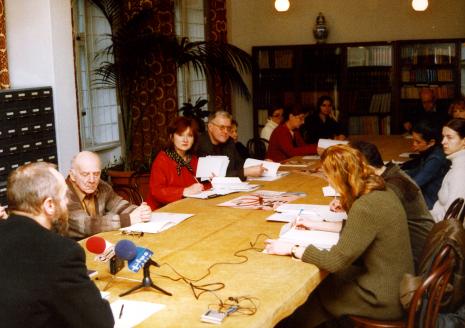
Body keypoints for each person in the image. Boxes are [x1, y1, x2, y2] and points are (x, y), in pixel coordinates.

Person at [265, 145, 413, 326]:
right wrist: (316, 224)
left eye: (328, 177)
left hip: (380, 298)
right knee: (321, 290)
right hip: (392, 285)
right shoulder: (380, 191)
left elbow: (336, 261)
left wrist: (292, 248)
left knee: (313, 294)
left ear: (339, 177)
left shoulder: (366, 205)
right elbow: (361, 229)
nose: (327, 182)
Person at [0, 162, 114, 327]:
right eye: (64, 196)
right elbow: (100, 323)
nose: (67, 202)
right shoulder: (60, 252)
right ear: (50, 205)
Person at [351, 140, 434, 270]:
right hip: (421, 247)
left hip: (413, 258)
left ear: (363, 166)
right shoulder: (391, 174)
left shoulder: (389, 188)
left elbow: (364, 229)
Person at [66, 151, 151, 239]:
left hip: (99, 242)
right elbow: (87, 225)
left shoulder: (102, 186)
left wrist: (140, 211)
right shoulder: (62, 194)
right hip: (72, 248)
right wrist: (130, 219)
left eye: (96, 174)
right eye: (85, 174)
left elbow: (119, 205)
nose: (92, 180)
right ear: (72, 175)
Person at [147, 117, 205, 210]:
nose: (185, 140)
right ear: (171, 137)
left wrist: (212, 180)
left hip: (186, 208)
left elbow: (201, 186)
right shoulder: (162, 159)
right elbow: (156, 191)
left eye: (190, 135)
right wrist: (184, 191)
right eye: (181, 135)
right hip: (161, 210)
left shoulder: (194, 159)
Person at [197, 111, 265, 180]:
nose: (226, 132)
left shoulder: (229, 141)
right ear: (210, 127)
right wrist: (244, 172)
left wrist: (262, 163)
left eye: (228, 128)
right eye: (222, 127)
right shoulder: (200, 144)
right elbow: (209, 176)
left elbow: (239, 164)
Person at [401, 119, 449, 209]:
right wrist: (396, 173)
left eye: (418, 142)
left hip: (429, 202)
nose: (413, 144)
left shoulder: (435, 159)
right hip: (425, 195)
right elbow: (417, 171)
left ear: (431, 142)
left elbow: (414, 184)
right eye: (413, 140)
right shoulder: (431, 152)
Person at [431, 118, 465, 222]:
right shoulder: (457, 165)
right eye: (443, 137)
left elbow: (452, 217)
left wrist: (425, 219)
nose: (443, 142)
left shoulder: (460, 172)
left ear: (464, 141)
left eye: (449, 137)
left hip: (440, 229)